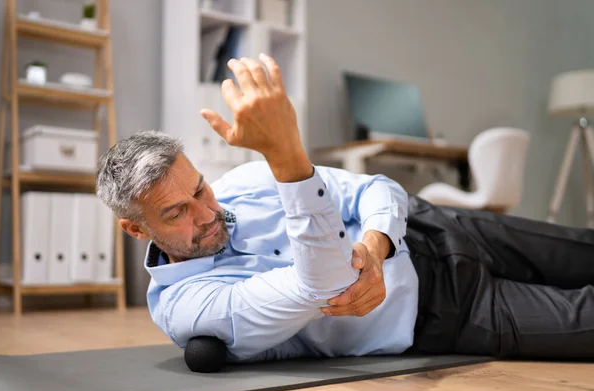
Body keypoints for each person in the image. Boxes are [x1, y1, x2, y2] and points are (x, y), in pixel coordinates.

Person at [95, 54, 594, 364]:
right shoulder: (188, 308)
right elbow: (324, 281)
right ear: (135, 229)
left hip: (441, 227)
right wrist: (287, 156)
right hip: (445, 312)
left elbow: (378, 188)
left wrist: (376, 244)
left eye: (200, 190)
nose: (205, 213)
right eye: (176, 212)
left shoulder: (242, 180)